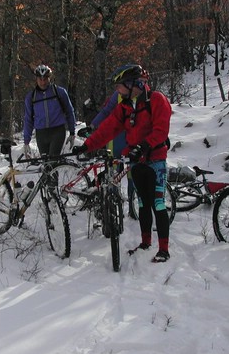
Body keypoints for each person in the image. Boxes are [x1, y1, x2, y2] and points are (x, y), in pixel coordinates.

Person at [72, 64, 172, 262]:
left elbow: (161, 130)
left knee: (158, 204)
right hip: (136, 162)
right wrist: (87, 146)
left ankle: (164, 249)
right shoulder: (125, 107)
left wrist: (142, 146)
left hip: (155, 160)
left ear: (133, 84)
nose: (117, 90)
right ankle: (145, 243)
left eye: (120, 86)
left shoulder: (156, 100)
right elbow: (107, 128)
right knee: (143, 203)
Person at [90, 90, 136, 218]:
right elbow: (106, 111)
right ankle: (114, 208)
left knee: (131, 175)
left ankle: (132, 209)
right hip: (116, 141)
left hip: (130, 140)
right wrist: (93, 124)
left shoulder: (139, 94)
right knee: (114, 176)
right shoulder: (118, 95)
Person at [23, 64, 77, 158]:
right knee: (46, 164)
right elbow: (28, 119)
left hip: (57, 131)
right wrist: (26, 141)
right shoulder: (31, 97)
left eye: (45, 79)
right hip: (41, 133)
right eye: (40, 79)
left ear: (49, 79)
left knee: (53, 160)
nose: (43, 82)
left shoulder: (59, 92)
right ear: (36, 79)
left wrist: (72, 131)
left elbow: (69, 111)